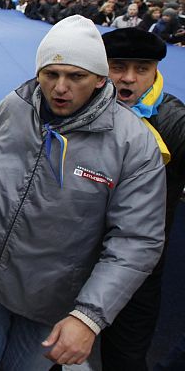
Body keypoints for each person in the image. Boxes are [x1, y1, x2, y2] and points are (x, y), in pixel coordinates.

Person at [0, 15, 167, 370]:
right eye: (51, 74)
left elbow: (136, 240)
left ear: (99, 79)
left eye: (76, 76)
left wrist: (88, 316)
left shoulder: (134, 144)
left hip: (52, 296)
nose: (60, 87)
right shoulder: (17, 105)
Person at [100, 28, 185, 371]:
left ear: (155, 71)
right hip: (74, 259)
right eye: (118, 67)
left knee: (126, 359)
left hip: (139, 272)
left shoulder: (172, 119)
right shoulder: (76, 104)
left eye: (142, 69)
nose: (129, 79)